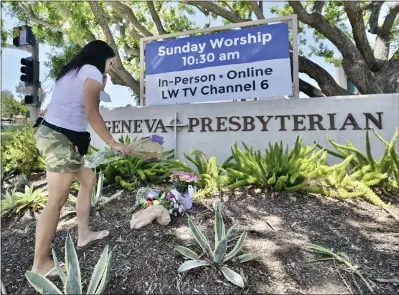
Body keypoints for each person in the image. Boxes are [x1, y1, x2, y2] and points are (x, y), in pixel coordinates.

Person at [32, 40, 131, 278]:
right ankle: (40, 264)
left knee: (87, 178)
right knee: (57, 199)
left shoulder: (74, 70)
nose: (110, 67)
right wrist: (112, 142)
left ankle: (84, 234)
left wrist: (102, 82)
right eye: (110, 62)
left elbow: (84, 103)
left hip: (59, 137)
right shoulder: (91, 71)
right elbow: (92, 112)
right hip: (58, 138)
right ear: (102, 57)